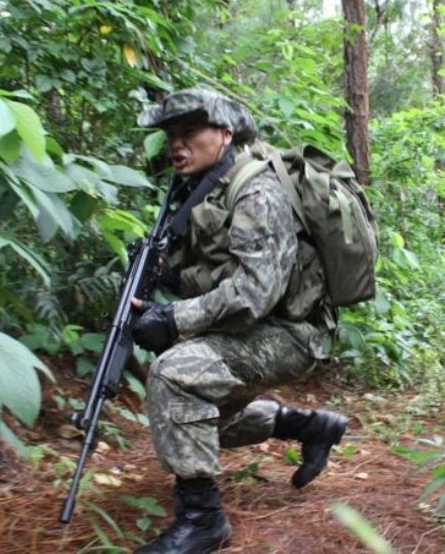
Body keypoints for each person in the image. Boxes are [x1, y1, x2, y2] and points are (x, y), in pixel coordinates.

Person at [130, 88, 347, 553]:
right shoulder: (205, 189)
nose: (177, 144)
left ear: (225, 135)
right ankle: (311, 426)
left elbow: (255, 291)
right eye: (171, 134)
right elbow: (212, 272)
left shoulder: (257, 190)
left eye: (190, 132)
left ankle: (203, 520)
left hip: (293, 333)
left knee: (174, 375)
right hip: (258, 327)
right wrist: (160, 281)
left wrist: (174, 320)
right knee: (191, 417)